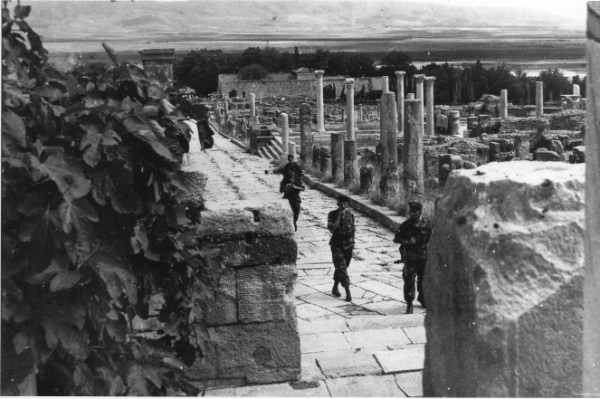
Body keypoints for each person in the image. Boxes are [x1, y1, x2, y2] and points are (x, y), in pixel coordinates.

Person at [393, 201, 432, 314]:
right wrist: (407, 241)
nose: (412, 214)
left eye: (415, 212)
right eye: (411, 212)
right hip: (410, 258)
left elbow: (431, 238)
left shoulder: (427, 224)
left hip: (424, 257)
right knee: (409, 280)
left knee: (424, 279)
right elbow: (397, 238)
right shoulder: (406, 225)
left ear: (420, 212)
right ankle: (409, 303)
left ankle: (423, 299)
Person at [327, 195, 355, 302]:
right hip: (337, 244)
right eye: (341, 204)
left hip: (348, 245)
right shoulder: (332, 214)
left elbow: (353, 231)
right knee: (341, 267)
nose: (343, 206)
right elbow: (331, 228)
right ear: (337, 204)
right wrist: (339, 218)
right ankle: (348, 292)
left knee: (342, 267)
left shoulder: (351, 215)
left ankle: (335, 286)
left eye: (345, 204)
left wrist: (352, 244)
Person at [280, 154, 305, 231]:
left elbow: (303, 188)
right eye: (289, 172)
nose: (291, 174)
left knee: (296, 212)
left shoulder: (297, 180)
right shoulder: (285, 180)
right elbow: (281, 190)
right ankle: (289, 225)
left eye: (292, 172)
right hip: (287, 197)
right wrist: (285, 188)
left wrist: (295, 187)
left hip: (295, 198)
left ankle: (294, 222)